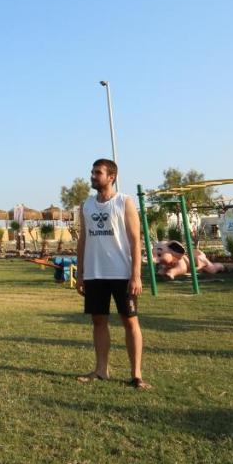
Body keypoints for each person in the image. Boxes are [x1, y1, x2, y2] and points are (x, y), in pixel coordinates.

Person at [75, 158, 150, 389]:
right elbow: (83, 239)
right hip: (95, 274)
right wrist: (80, 273)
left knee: (130, 321)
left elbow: (136, 240)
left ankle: (136, 375)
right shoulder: (86, 205)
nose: (93, 176)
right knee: (99, 322)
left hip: (122, 273)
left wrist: (136, 275)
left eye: (98, 172)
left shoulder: (124, 202)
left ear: (111, 177)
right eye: (92, 172)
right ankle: (101, 370)